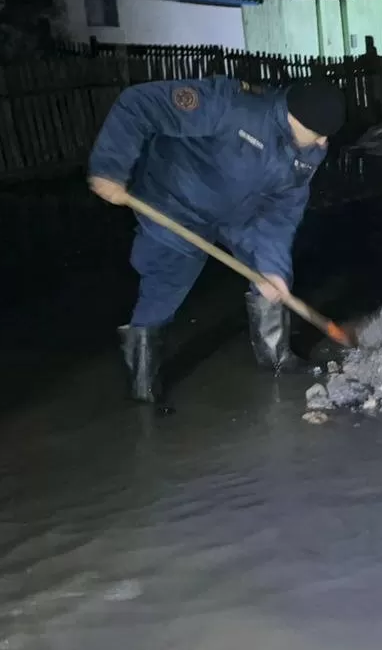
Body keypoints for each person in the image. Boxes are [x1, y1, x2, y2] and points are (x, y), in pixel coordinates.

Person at [87, 75, 347, 406]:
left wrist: (272, 268)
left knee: (273, 276)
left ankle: (276, 355)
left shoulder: (310, 149)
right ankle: (142, 374)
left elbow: (282, 213)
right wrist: (109, 168)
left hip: (242, 214)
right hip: (177, 204)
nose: (324, 142)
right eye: (318, 134)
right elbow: (139, 103)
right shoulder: (231, 105)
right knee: (166, 284)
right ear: (293, 118)